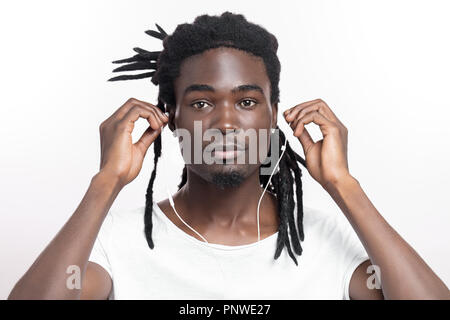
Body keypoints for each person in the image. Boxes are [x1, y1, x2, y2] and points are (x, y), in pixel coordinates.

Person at [8, 11, 449, 300]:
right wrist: (105, 183)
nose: (226, 122)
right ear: (171, 118)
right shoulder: (111, 244)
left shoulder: (331, 241)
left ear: (274, 115)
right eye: (201, 103)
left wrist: (344, 186)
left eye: (246, 102)